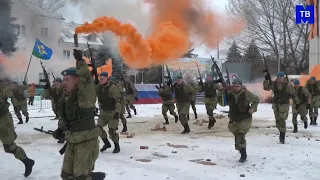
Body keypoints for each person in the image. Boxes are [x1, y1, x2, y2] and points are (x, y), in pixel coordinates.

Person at [53, 49, 105, 180]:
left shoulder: (85, 96)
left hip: (86, 141)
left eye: (67, 80)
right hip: (72, 139)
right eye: (63, 80)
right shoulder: (66, 97)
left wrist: (80, 62)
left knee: (80, 177)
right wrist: (61, 129)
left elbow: (87, 80)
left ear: (77, 80)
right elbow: (66, 116)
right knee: (66, 175)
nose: (64, 83)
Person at [0, 79, 35, 177]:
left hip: (3, 121)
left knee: (9, 147)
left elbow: (11, 95)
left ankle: (27, 161)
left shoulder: (4, 87)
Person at [219, 78, 259, 163]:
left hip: (245, 118)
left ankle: (244, 154)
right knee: (237, 136)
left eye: (238, 86)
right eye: (234, 86)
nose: (236, 88)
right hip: (234, 118)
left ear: (241, 86)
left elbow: (256, 100)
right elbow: (222, 103)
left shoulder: (246, 93)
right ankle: (241, 150)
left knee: (240, 134)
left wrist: (253, 108)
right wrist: (222, 91)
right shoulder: (230, 93)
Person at [263, 71, 300, 144]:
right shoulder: (273, 84)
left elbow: (293, 94)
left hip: (284, 105)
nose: (280, 79)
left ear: (284, 78)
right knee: (277, 122)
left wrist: (297, 103)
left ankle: (282, 137)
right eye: (278, 78)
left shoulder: (288, 85)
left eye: (281, 78)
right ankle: (281, 132)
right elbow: (266, 88)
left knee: (282, 121)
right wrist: (266, 80)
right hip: (276, 105)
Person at [96, 72, 121, 153]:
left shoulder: (112, 87)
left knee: (112, 131)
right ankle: (106, 143)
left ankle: (117, 146)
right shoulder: (99, 87)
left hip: (112, 112)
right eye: (100, 78)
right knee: (97, 128)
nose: (101, 80)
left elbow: (118, 100)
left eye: (103, 78)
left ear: (107, 78)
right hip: (103, 112)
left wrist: (117, 112)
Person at [43, 77, 65, 143]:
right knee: (63, 123)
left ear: (61, 84)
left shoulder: (65, 89)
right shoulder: (53, 90)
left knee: (62, 123)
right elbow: (46, 96)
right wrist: (46, 89)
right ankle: (63, 136)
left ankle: (62, 137)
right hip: (58, 109)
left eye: (57, 84)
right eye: (54, 84)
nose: (55, 86)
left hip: (64, 109)